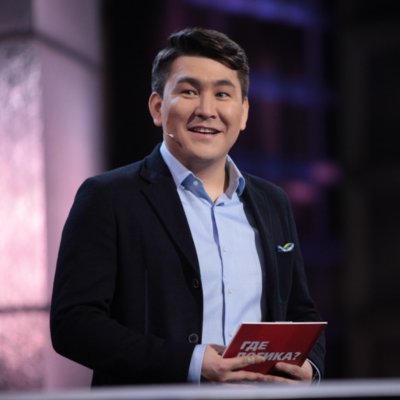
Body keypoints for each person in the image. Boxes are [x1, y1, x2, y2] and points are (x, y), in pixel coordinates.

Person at [50, 26, 325, 386]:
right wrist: (190, 363)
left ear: (243, 113)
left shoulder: (273, 202)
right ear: (158, 107)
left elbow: (299, 311)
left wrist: (311, 367)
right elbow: (73, 324)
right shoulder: (108, 197)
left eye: (222, 94)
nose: (207, 110)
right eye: (189, 91)